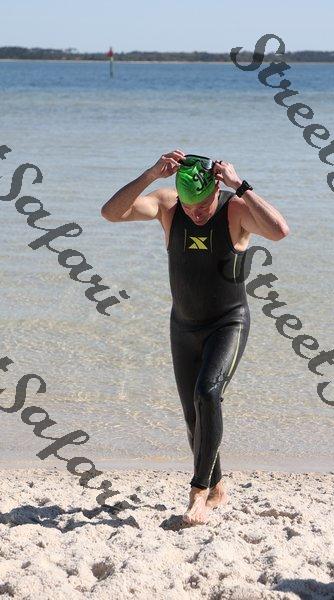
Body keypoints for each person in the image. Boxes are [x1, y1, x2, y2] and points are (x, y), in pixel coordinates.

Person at [101, 149, 289, 525]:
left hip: (227, 323)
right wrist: (150, 175)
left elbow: (279, 231)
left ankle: (198, 494)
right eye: (189, 206)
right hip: (183, 326)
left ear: (216, 189)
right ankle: (217, 488)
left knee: (208, 394)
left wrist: (241, 185)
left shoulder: (236, 209)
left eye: (202, 206)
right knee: (193, 417)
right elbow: (111, 212)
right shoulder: (169, 206)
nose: (195, 213)